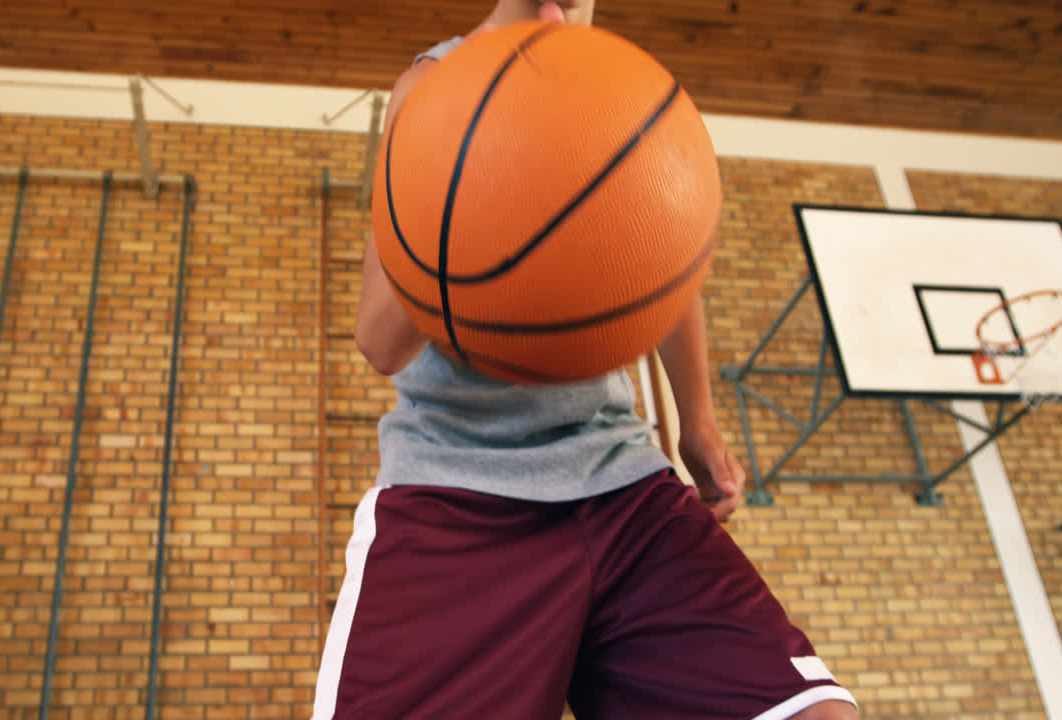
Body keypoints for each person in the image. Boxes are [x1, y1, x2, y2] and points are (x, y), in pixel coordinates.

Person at [312, 2, 860, 718]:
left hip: (620, 482)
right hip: (459, 495)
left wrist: (700, 423)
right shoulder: (436, 85)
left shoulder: (619, 88)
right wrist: (475, 199)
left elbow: (663, 268)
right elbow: (379, 341)